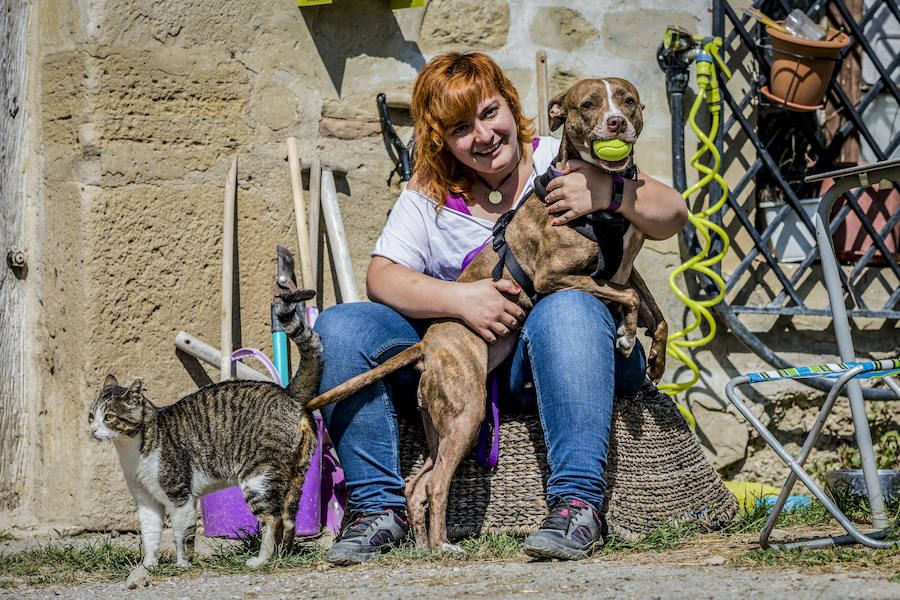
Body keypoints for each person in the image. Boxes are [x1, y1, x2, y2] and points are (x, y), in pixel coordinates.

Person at [314, 52, 688, 565]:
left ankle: (577, 504)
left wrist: (609, 190)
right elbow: (381, 277)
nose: (484, 135)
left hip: (565, 353)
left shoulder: (569, 152)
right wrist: (462, 299)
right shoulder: (429, 193)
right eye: (461, 128)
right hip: (465, 355)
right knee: (339, 326)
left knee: (567, 307)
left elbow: (671, 216)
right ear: (440, 139)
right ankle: (379, 510)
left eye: (490, 113)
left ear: (512, 107)